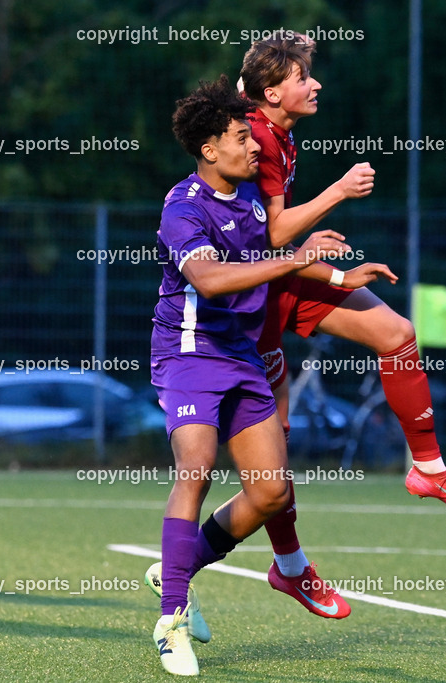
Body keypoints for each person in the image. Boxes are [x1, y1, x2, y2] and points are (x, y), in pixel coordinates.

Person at [234, 34, 446, 619]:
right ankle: (284, 569)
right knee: (274, 455)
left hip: (284, 273)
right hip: (247, 293)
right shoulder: (253, 137)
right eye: (302, 76)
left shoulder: (265, 118)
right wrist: (340, 190)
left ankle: (428, 468)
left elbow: (243, 84)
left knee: (397, 333)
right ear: (273, 93)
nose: (315, 83)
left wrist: (275, 46)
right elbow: (272, 233)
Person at [151, 75, 395, 676]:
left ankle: (177, 563)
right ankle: (171, 619)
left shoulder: (253, 202)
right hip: (189, 357)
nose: (255, 146)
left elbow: (275, 263)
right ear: (210, 149)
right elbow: (211, 279)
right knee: (197, 471)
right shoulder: (182, 207)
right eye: (241, 137)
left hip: (241, 356)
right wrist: (296, 257)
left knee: (270, 493)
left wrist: (340, 279)